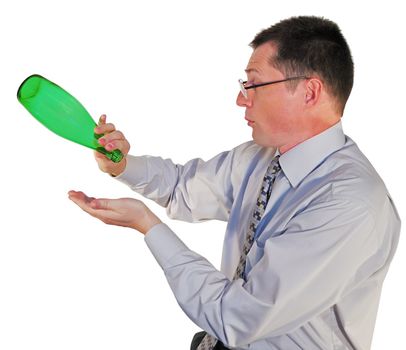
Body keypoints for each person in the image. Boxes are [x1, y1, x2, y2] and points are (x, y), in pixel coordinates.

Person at [68, 16, 401, 350]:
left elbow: (240, 318)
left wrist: (148, 225)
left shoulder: (350, 204)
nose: (241, 100)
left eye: (252, 85)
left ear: (309, 91)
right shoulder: (262, 158)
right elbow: (184, 187)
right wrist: (122, 165)